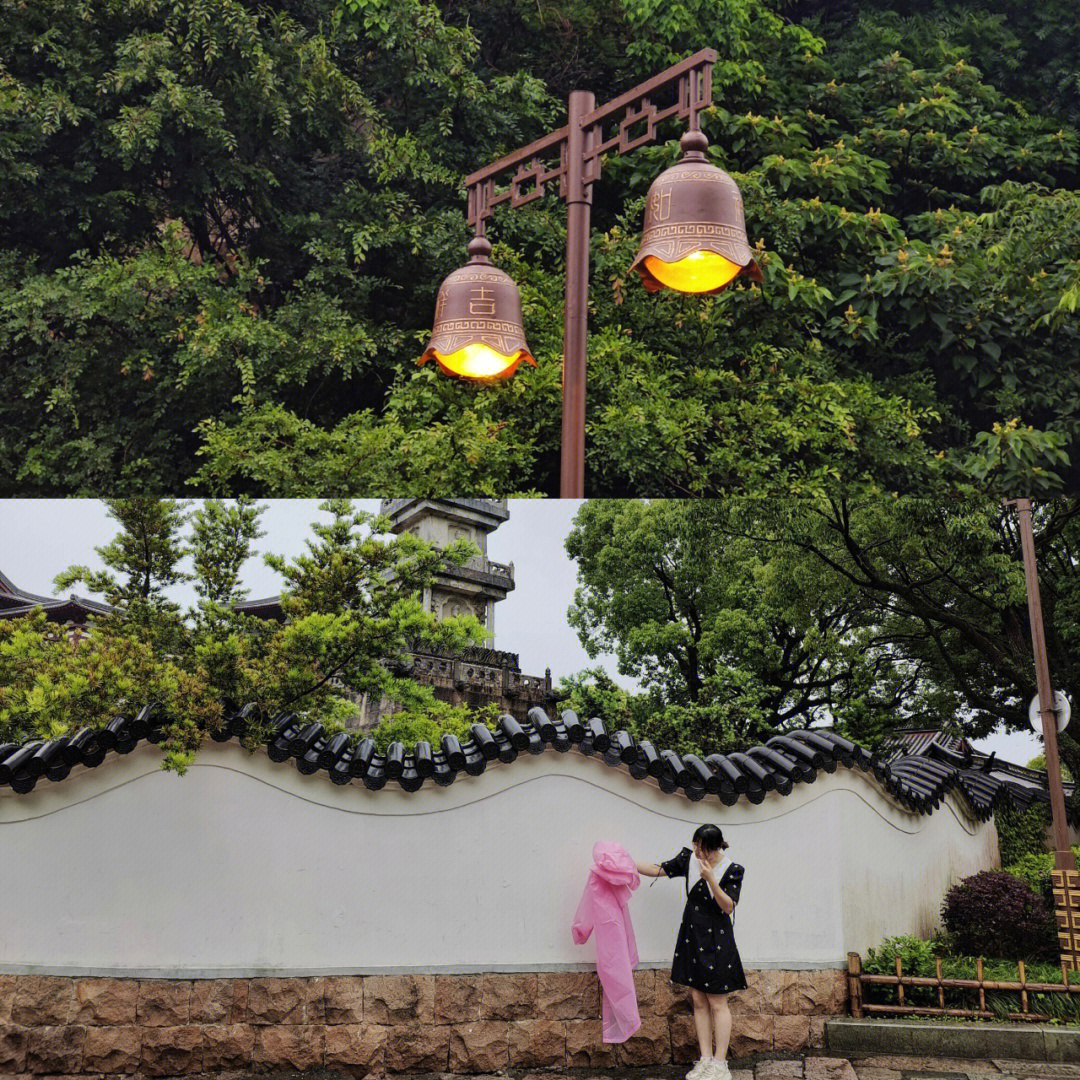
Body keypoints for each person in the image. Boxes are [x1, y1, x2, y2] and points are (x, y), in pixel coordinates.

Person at [635, 824, 746, 1080]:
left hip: (718, 939)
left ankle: (720, 1064)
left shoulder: (732, 869)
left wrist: (711, 880)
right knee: (698, 999)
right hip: (693, 936)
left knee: (718, 1001)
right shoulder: (689, 859)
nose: (696, 850)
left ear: (716, 847)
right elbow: (657, 869)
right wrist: (624, 863)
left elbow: (728, 907)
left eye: (702, 847)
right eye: (695, 844)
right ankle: (705, 1059)